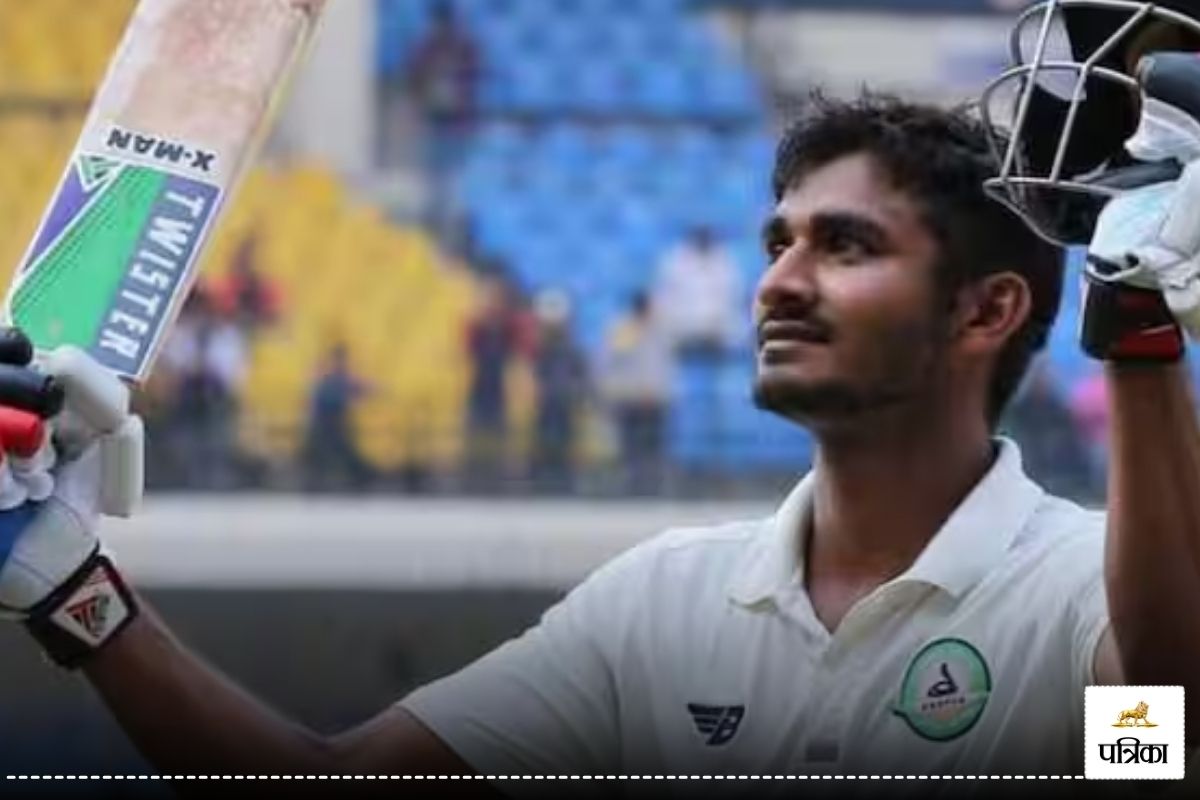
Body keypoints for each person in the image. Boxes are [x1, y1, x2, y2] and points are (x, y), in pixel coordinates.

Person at [2, 2, 1200, 791]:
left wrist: (1137, 320)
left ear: (986, 311)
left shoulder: (1076, 588)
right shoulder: (661, 602)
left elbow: (1154, 730)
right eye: (777, 241)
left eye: (845, 245)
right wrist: (73, 589)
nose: (778, 281)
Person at [404, 0, 481, 242]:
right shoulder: (427, 50)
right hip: (436, 125)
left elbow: (473, 82)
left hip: (455, 127)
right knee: (436, 182)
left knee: (452, 182)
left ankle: (448, 232)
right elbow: (414, 82)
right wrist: (426, 100)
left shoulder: (461, 49)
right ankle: (436, 232)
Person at [598, 291, 673, 495]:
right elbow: (612, 364)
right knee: (630, 446)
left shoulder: (661, 331)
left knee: (652, 445)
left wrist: (658, 392)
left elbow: (663, 367)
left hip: (654, 400)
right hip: (629, 399)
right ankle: (631, 484)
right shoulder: (622, 330)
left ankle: (653, 484)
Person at [528, 290, 588, 495]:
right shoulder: (539, 349)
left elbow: (581, 376)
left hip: (564, 404)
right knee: (543, 444)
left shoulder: (573, 350)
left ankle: (563, 483)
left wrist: (576, 392)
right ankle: (542, 483)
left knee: (564, 444)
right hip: (545, 404)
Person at [301, 343, 373, 493]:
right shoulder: (326, 376)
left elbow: (358, 388)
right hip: (323, 422)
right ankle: (316, 483)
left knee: (341, 451)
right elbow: (331, 394)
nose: (341, 363)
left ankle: (358, 479)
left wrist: (367, 391)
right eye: (339, 359)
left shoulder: (341, 376)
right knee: (322, 453)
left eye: (342, 360)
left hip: (335, 423)